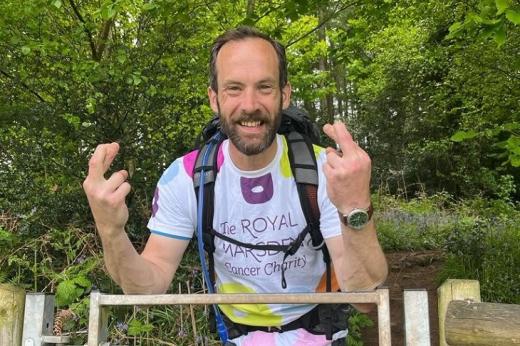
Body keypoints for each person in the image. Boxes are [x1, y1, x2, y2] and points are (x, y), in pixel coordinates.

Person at [83, 26, 387, 345]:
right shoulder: (185, 177)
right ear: (214, 98)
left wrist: (355, 209)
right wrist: (110, 231)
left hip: (319, 332)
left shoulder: (324, 170)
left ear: (285, 94)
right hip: (237, 336)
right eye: (234, 88)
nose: (250, 104)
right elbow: (146, 288)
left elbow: (366, 299)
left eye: (264, 87)